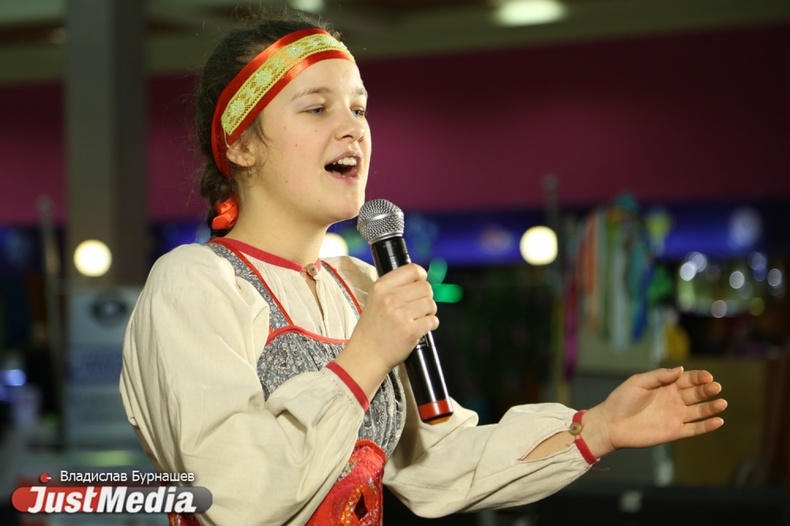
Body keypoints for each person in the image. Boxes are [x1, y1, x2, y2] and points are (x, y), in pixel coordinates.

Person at [119, 10, 727, 526]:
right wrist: (365, 357)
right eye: (317, 108)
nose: (352, 128)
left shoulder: (360, 285)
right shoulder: (193, 281)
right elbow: (228, 494)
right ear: (242, 144)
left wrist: (597, 429)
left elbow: (437, 465)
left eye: (359, 108)